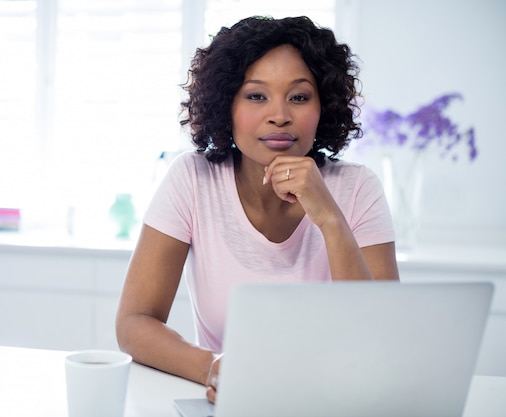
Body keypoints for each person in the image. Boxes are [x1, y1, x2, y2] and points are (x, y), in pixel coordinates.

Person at [116, 15, 399, 404]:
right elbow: (135, 323)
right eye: (256, 95)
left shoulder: (358, 188)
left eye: (299, 97)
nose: (279, 114)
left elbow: (384, 338)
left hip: (338, 401)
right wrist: (212, 368)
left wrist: (330, 219)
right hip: (232, 401)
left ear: (324, 107)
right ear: (226, 105)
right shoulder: (193, 179)